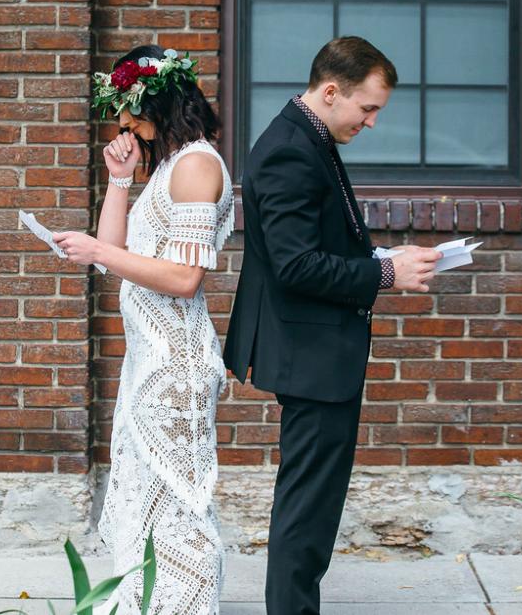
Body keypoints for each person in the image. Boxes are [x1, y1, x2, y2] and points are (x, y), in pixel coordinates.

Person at [222, 36, 441, 615]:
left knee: (313, 504)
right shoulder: (290, 149)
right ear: (329, 91)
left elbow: (318, 242)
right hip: (311, 355)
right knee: (307, 508)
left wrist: (376, 258)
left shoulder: (306, 137)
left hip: (316, 349)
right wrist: (386, 274)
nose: (370, 122)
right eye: (367, 108)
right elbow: (295, 266)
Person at [53, 45, 233, 614]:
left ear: (158, 99)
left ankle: (190, 606)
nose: (124, 123)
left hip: (177, 362)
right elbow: (115, 257)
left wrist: (93, 248)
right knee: (144, 496)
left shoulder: (198, 166)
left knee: (181, 499)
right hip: (147, 360)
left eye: (128, 109)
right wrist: (120, 180)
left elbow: (183, 277)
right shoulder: (164, 169)